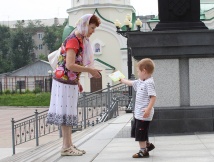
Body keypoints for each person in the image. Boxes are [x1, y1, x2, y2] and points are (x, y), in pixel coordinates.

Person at [46, 14, 101, 156]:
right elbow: (70, 64)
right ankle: (65, 147)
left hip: (68, 81)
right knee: (66, 114)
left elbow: (72, 64)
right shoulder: (74, 40)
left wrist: (77, 81)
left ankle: (69, 144)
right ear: (85, 24)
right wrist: (90, 70)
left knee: (69, 113)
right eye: (92, 28)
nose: (92, 31)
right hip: (63, 81)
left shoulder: (80, 39)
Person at [119, 58, 156, 158]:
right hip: (139, 113)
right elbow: (131, 83)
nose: (138, 73)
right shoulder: (141, 81)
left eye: (138, 71)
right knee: (138, 130)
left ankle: (143, 151)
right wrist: (121, 80)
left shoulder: (149, 83)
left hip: (144, 113)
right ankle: (147, 145)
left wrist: (148, 109)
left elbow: (153, 97)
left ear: (144, 71)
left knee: (140, 132)